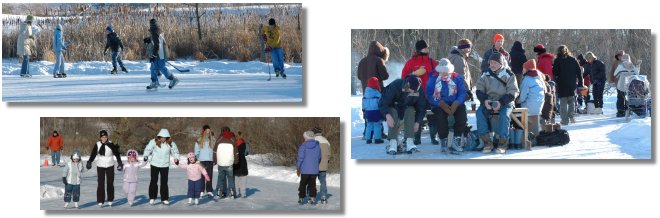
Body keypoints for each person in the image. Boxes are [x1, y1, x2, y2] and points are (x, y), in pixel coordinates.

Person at [476, 53, 519, 154]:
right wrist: (485, 100)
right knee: (479, 113)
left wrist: (501, 102)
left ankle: (503, 144)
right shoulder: (485, 74)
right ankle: (487, 143)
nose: (492, 65)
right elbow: (479, 90)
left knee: (504, 115)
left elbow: (513, 92)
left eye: (495, 62)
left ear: (500, 63)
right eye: (491, 62)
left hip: (505, 102)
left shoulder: (509, 74)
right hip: (489, 101)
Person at [425, 58, 467, 153]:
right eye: (442, 71)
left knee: (462, 115)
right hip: (439, 103)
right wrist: (440, 103)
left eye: (447, 71)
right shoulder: (433, 79)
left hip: (455, 101)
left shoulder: (457, 78)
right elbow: (429, 94)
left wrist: (456, 103)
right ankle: (443, 140)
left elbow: (462, 93)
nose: (445, 73)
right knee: (440, 117)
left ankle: (456, 139)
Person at [401, 40, 438, 145]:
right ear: (419, 50)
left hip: (430, 94)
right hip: (416, 95)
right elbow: (404, 78)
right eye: (424, 48)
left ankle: (433, 137)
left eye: (427, 48)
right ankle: (417, 137)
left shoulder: (432, 62)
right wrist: (414, 73)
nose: (427, 49)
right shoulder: (411, 62)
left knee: (432, 115)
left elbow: (439, 75)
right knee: (418, 115)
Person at [379, 75, 427, 154]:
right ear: (407, 84)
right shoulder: (396, 85)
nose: (413, 92)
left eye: (415, 91)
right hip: (393, 107)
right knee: (393, 112)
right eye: (411, 90)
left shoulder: (419, 90)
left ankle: (409, 141)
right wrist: (387, 115)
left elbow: (421, 108)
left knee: (411, 110)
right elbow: (383, 102)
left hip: (406, 108)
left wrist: (418, 122)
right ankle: (393, 142)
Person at [143, 129, 180, 205]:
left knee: (164, 182)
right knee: (153, 181)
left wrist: (176, 158)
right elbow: (148, 149)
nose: (163, 138)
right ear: (159, 136)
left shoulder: (171, 143)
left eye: (165, 137)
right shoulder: (153, 141)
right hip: (154, 164)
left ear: (167, 137)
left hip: (165, 165)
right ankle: (152, 197)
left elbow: (175, 151)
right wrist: (146, 155)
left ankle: (165, 198)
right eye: (162, 137)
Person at [86, 130, 123, 207]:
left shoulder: (111, 143)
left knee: (110, 183)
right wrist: (89, 162)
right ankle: (100, 200)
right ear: (100, 137)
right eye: (102, 137)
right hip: (100, 165)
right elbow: (93, 154)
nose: (104, 138)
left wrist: (119, 162)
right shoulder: (97, 144)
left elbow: (116, 153)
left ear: (107, 137)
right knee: (100, 183)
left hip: (110, 165)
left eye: (105, 137)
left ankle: (110, 199)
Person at [552, 45, 583, 125]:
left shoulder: (557, 60)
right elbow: (579, 72)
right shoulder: (573, 59)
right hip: (572, 83)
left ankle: (564, 120)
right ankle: (572, 116)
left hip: (562, 83)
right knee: (572, 100)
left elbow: (555, 72)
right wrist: (580, 83)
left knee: (563, 102)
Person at [146, 19, 179, 89]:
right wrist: (149, 40)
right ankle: (154, 82)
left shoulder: (154, 32)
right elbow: (157, 41)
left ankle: (173, 79)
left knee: (161, 67)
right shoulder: (157, 31)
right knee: (153, 68)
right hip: (159, 53)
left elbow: (157, 44)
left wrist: (154, 55)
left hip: (159, 54)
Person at [518, 59, 546, 136]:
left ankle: (525, 136)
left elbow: (523, 96)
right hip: (539, 107)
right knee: (534, 122)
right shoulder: (539, 78)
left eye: (523, 68)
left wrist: (517, 102)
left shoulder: (527, 79)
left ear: (527, 69)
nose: (522, 70)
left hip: (529, 107)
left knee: (516, 112)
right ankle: (535, 134)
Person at [296, 131, 321, 205]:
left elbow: (300, 158)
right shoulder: (317, 145)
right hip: (314, 169)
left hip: (305, 170)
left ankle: (301, 198)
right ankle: (313, 198)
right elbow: (319, 157)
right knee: (312, 184)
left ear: (306, 137)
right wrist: (315, 164)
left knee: (303, 184)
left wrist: (298, 167)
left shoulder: (303, 146)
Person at [213, 127, 236, 199]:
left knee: (220, 178)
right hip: (229, 162)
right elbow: (236, 151)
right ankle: (232, 193)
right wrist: (236, 161)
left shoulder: (219, 139)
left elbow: (214, 151)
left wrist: (215, 160)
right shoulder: (232, 139)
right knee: (230, 178)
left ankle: (219, 192)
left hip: (221, 162)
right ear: (229, 131)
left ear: (222, 131)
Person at [194, 125, 215, 198]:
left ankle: (209, 190)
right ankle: (201, 191)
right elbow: (196, 151)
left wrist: (214, 158)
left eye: (209, 131)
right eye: (206, 131)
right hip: (202, 160)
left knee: (209, 176)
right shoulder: (199, 140)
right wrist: (197, 158)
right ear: (204, 131)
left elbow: (214, 150)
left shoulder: (212, 140)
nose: (208, 132)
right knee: (202, 176)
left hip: (210, 160)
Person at [311, 127, 331, 204]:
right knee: (323, 182)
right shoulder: (326, 141)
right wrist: (326, 161)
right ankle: (324, 197)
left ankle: (312, 197)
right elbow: (329, 155)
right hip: (323, 166)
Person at [362, 77, 384, 144]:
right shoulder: (377, 94)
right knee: (377, 125)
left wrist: (364, 110)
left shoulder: (365, 94)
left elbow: (363, 103)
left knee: (369, 125)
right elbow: (381, 103)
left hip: (368, 112)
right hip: (376, 111)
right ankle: (377, 139)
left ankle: (368, 139)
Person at [233, 131, 249, 198]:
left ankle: (236, 193)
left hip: (235, 161)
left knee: (236, 179)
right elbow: (246, 153)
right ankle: (243, 194)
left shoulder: (233, 143)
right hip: (243, 162)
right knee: (243, 178)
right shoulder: (245, 144)